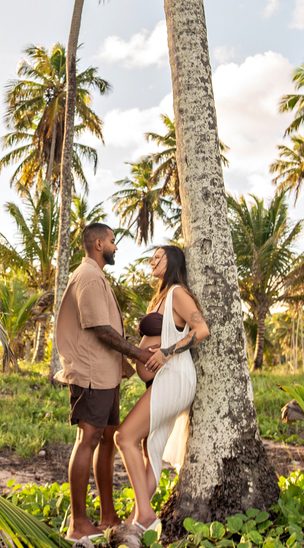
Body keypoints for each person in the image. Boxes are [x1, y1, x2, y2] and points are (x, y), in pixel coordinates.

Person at [53, 223, 156, 541]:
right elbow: (100, 329)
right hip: (91, 374)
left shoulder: (96, 276)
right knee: (88, 438)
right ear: (98, 244)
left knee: (108, 438)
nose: (115, 246)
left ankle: (108, 515)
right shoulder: (88, 276)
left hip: (106, 374)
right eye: (112, 241)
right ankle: (78, 524)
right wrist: (139, 354)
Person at [114, 245, 210, 532]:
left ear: (173, 260)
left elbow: (201, 330)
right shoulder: (160, 297)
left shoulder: (178, 293)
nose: (152, 260)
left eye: (158, 256)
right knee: (150, 449)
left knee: (124, 437)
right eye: (151, 257)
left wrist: (167, 352)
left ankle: (145, 516)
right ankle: (136, 520)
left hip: (174, 377)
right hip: (160, 380)